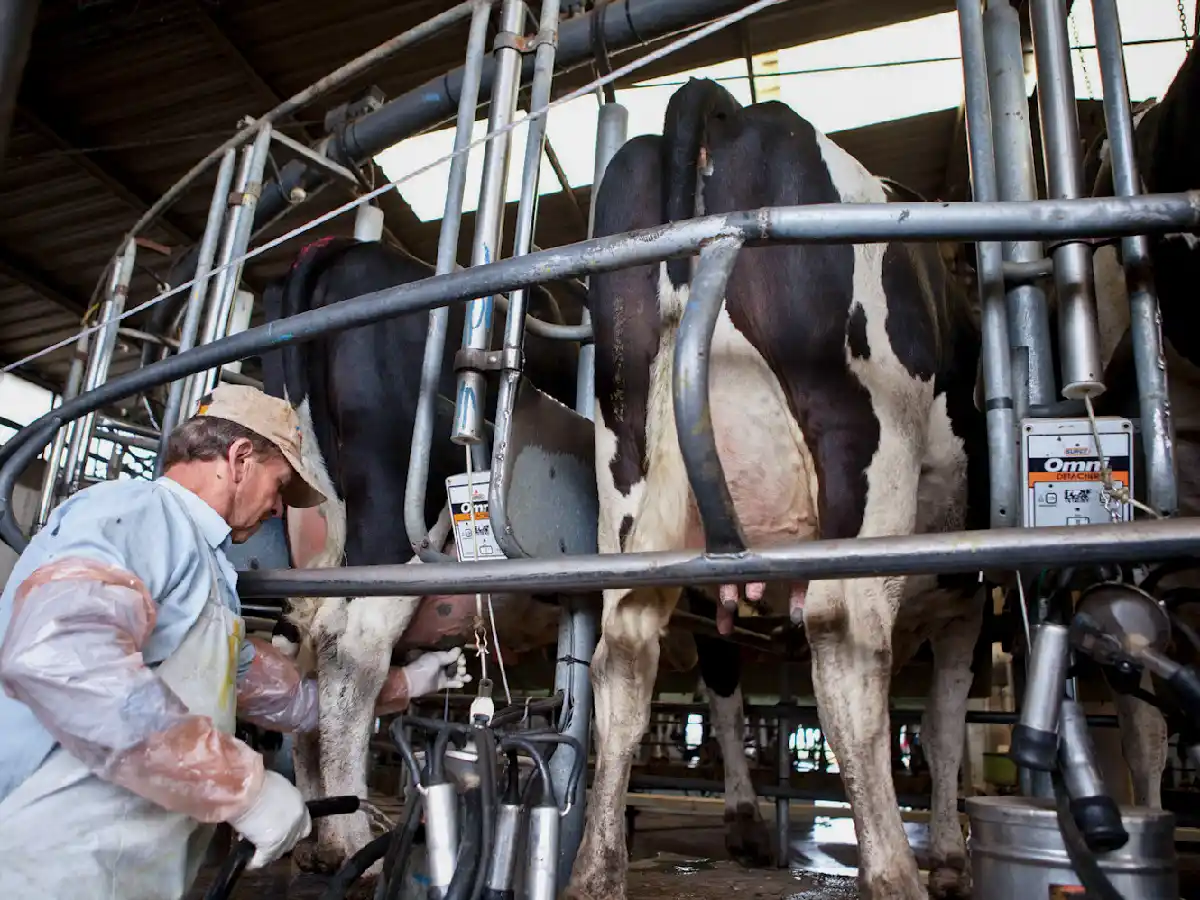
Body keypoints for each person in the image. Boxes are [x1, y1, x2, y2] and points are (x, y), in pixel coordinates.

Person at [0, 384, 470, 899]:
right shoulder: (138, 515)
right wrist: (241, 787)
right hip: (57, 856)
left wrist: (408, 681)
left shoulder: (207, 568)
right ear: (240, 458)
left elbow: (286, 699)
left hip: (127, 864)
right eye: (280, 485)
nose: (277, 509)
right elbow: (61, 660)